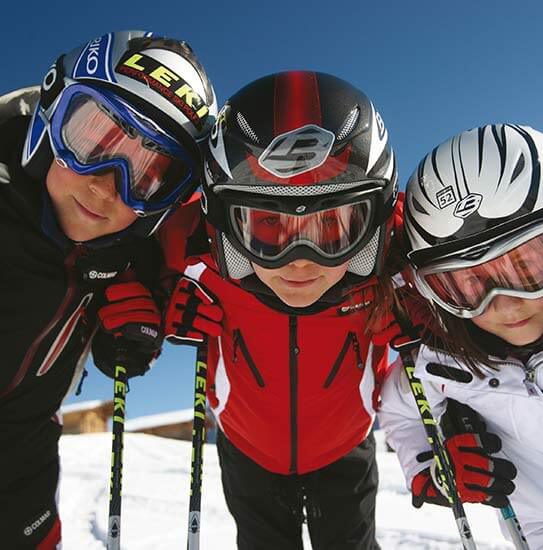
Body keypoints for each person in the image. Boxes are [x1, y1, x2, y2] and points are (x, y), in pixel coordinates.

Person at [162, 71, 401, 550]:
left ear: (372, 225)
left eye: (332, 225)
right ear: (222, 226)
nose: (300, 260)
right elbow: (128, 246)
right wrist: (156, 301)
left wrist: (414, 305)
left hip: (344, 446)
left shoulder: (387, 273)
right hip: (248, 449)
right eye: (266, 226)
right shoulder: (198, 256)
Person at [0, 30, 216, 548]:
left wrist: (136, 329)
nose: (107, 183)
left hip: (23, 461)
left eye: (149, 173)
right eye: (93, 139)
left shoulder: (130, 241)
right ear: (52, 114)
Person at [378, 124, 543, 548]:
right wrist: (434, 469)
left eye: (527, 268)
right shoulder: (444, 362)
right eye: (466, 286)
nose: (503, 305)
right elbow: (401, 413)